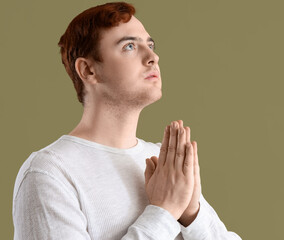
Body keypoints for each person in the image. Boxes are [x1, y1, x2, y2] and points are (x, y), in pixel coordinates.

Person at [12, 2, 242, 239]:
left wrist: (192, 213)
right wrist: (164, 211)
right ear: (89, 70)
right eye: (129, 46)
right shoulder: (50, 172)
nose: (153, 56)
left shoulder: (165, 164)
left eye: (150, 45)